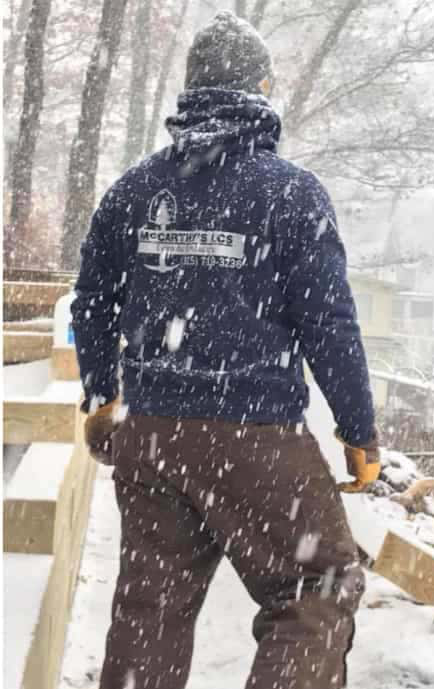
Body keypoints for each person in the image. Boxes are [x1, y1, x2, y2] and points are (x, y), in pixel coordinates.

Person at [71, 11, 380, 689]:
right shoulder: (292, 196)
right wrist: (359, 431)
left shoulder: (132, 193)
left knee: (150, 610)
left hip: (152, 439)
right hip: (257, 438)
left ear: (191, 92)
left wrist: (102, 396)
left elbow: (90, 304)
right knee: (316, 587)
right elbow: (330, 322)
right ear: (261, 90)